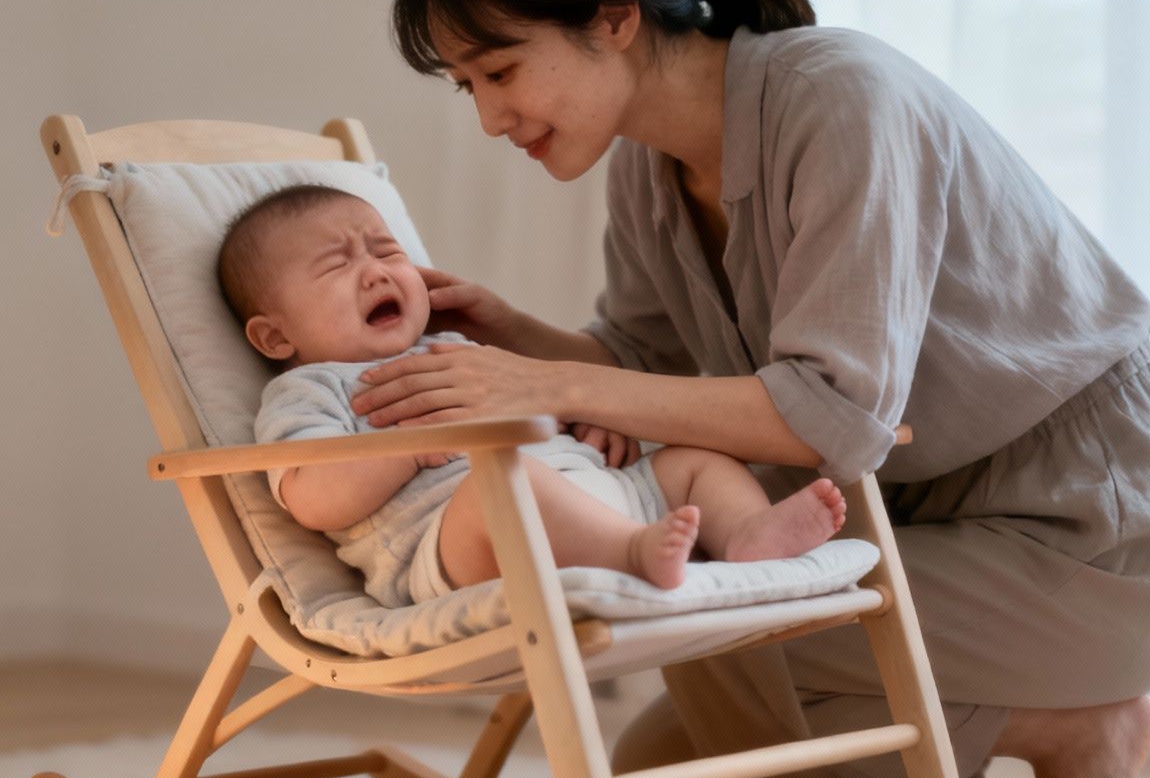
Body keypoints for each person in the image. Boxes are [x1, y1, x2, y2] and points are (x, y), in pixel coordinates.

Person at [355, 0, 1150, 778]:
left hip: (1085, 532)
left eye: (499, 71)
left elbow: (832, 418)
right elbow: (644, 367)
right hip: (913, 524)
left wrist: (547, 384)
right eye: (467, 86)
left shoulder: (838, 97)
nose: (489, 116)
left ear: (613, 18)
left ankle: (1076, 728)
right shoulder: (647, 167)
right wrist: (513, 332)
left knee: (704, 628)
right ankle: (948, 744)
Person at [220, 181, 850, 607]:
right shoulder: (307, 389)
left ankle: (743, 534)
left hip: (600, 494)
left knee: (694, 461)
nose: (378, 270)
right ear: (275, 336)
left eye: (387, 251)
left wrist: (582, 422)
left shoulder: (459, 351)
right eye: (338, 265)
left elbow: (536, 403)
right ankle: (631, 553)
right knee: (504, 483)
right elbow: (310, 497)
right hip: (459, 545)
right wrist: (409, 450)